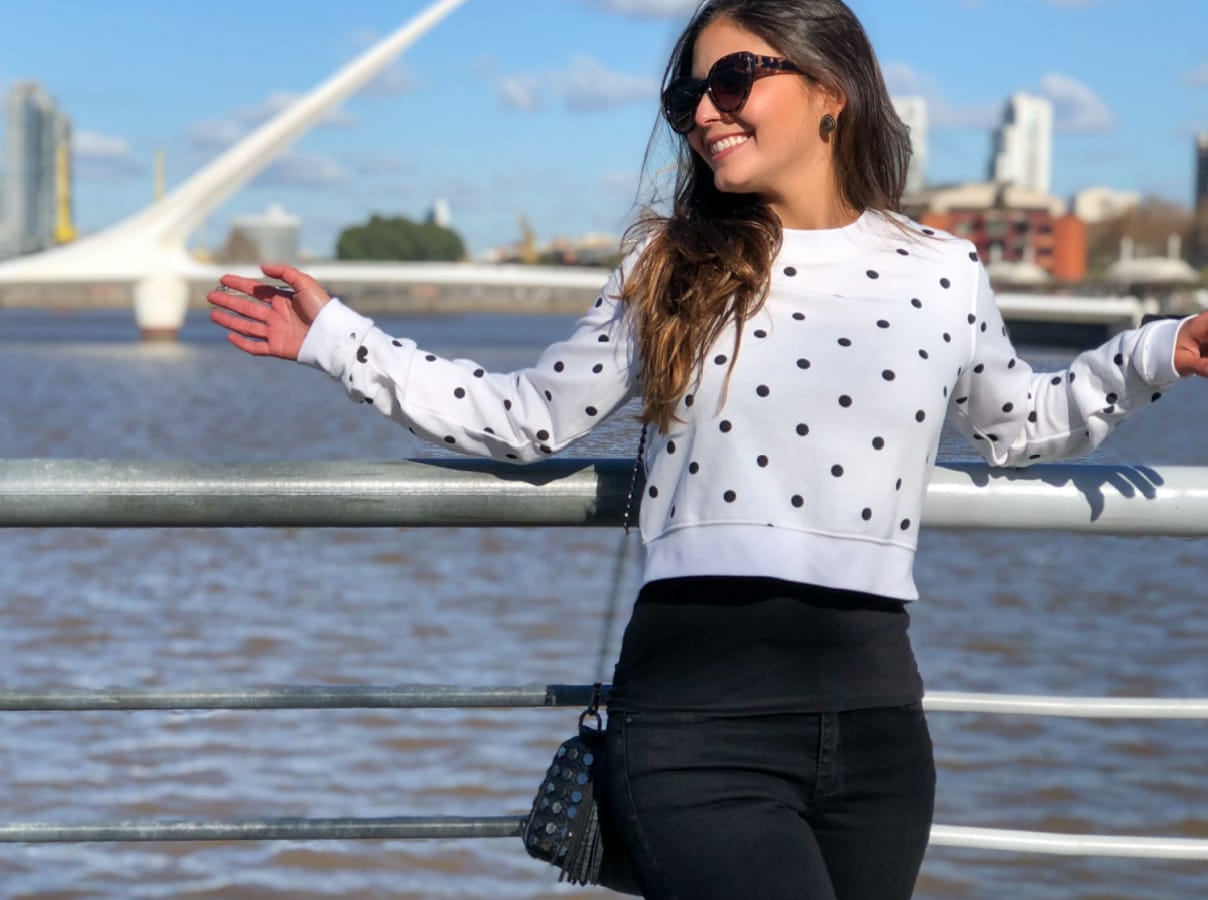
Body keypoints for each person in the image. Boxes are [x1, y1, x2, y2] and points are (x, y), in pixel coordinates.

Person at [206, 0, 1208, 895]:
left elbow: (1019, 424)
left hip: (874, 725)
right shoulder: (670, 259)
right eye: (686, 93)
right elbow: (526, 419)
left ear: (830, 90)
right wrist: (339, 339)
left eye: (732, 80)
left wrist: (1157, 350)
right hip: (697, 722)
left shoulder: (942, 271)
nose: (703, 112)